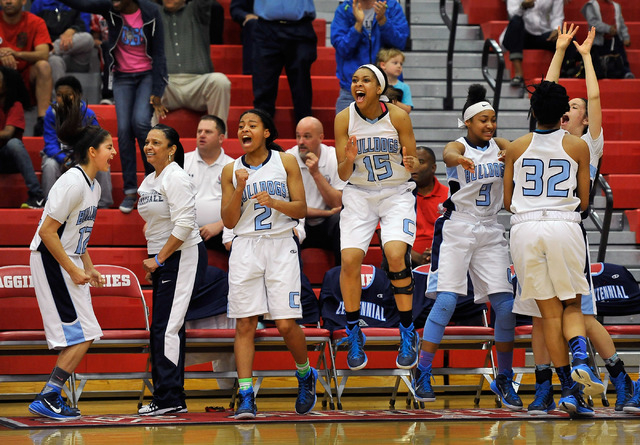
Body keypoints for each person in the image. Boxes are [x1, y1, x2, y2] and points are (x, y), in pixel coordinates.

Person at [513, 23, 635, 415]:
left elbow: (591, 96)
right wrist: (560, 51)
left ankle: (619, 380)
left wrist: (583, 56)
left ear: (583, 119)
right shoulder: (543, 134)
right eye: (568, 105)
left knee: (578, 312)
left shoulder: (588, 144)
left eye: (577, 106)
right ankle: (551, 385)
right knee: (540, 314)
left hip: (557, 225)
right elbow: (545, 95)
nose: (571, 108)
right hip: (550, 225)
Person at [411, 84, 522, 411]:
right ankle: (423, 370)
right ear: (468, 122)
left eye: (493, 120)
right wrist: (459, 159)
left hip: (490, 228)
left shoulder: (499, 145)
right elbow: (447, 154)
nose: (489, 125)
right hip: (458, 226)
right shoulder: (457, 145)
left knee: (505, 307)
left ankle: (503, 377)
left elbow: (517, 149)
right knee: (445, 301)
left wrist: (510, 153)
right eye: (483, 120)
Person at [504, 79, 603, 417]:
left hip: (524, 228)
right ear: (564, 113)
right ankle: (580, 358)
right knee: (572, 305)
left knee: (548, 315)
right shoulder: (577, 146)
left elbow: (507, 200)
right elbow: (585, 202)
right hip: (563, 224)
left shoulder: (516, 147)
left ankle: (569, 390)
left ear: (533, 112)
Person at [220, 108, 317, 420]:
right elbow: (229, 220)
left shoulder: (285, 161)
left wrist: (275, 202)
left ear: (266, 133)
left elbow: (301, 208)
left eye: (252, 125)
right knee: (245, 323)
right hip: (245, 245)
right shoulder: (230, 170)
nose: (244, 130)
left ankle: (305, 374)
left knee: (287, 323)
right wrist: (238, 189)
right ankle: (247, 395)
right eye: (240, 126)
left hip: (279, 244)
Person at [27, 123, 116, 420]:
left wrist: (88, 267)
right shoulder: (73, 183)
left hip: (69, 258)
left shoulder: (95, 185)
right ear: (92, 151)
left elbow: (78, 232)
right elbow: (47, 232)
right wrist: (72, 269)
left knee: (87, 332)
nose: (114, 153)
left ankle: (50, 395)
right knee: (83, 334)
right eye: (109, 147)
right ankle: (49, 396)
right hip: (52, 259)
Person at [334, 64, 419, 372]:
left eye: (366, 80)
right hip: (359, 194)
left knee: (395, 256)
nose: (358, 84)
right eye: (355, 80)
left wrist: (412, 163)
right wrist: (349, 159)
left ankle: (408, 331)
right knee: (350, 260)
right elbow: (343, 174)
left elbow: (414, 165)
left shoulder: (398, 117)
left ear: (379, 88)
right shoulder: (344, 119)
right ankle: (354, 331)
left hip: (396, 192)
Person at [61, 0, 168, 215]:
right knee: (123, 130)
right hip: (122, 77)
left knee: (139, 122)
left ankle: (153, 184)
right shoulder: (110, 8)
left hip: (147, 75)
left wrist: (157, 90)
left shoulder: (151, 11)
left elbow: (159, 53)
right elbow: (83, 4)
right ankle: (130, 191)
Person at [136, 124, 207, 416]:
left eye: (156, 142)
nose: (149, 146)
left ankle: (170, 398)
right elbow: (155, 222)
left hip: (183, 256)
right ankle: (168, 395)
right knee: (161, 328)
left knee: (168, 329)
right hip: (165, 256)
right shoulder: (151, 179)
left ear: (172, 149)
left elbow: (185, 224)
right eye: (147, 142)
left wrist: (159, 259)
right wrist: (155, 255)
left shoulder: (176, 177)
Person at [155, 0, 231, 127]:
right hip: (166, 85)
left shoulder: (198, 10)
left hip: (198, 84)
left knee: (220, 81)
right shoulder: (153, 13)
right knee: (146, 82)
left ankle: (217, 139)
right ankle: (148, 141)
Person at [41, 75, 113, 208]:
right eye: (59, 95)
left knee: (102, 160)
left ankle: (104, 204)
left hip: (83, 156)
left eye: (68, 94)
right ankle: (50, 205)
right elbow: (50, 144)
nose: (63, 98)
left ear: (78, 95)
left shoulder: (88, 113)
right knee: (49, 165)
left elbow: (97, 140)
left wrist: (82, 158)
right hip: (60, 157)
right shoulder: (51, 113)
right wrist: (64, 159)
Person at [331, 0, 409, 114]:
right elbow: (342, 49)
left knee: (388, 132)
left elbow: (400, 42)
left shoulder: (391, 7)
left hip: (387, 90)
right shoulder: (345, 10)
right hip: (351, 90)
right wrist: (358, 25)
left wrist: (383, 21)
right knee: (345, 131)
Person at [286, 116, 346, 264]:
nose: (301, 142)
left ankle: (343, 277)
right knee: (285, 221)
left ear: (321, 138)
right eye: (298, 136)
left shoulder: (334, 157)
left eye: (307, 137)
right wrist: (325, 212)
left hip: (327, 225)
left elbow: (338, 203)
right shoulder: (287, 159)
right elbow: (289, 208)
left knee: (342, 220)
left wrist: (316, 174)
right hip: (299, 221)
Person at [250, 0, 317, 123]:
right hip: (266, 28)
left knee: (301, 88)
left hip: (299, 27)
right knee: (263, 88)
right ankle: (261, 137)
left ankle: (306, 137)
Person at [0, 0, 53, 136]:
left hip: (26, 75)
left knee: (44, 66)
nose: (8, 1)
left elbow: (43, 54)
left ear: (24, 1)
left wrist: (15, 53)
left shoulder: (36, 22)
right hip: (2, 76)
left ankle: (42, 121)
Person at [184, 115, 235, 252]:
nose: (202, 135)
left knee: (239, 236)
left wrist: (219, 225)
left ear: (221, 138)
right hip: (186, 230)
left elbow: (241, 205)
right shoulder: (182, 163)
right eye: (199, 131)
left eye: (208, 132)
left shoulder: (233, 166)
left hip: (222, 230)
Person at [0, 66, 46, 208]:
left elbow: (8, 133)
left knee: (14, 143)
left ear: (7, 84)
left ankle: (36, 195)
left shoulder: (15, 105)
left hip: (8, 159)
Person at [30, 0, 95, 85]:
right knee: (55, 61)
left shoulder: (81, 2)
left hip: (74, 55)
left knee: (88, 38)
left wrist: (73, 30)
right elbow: (32, 31)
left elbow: (85, 26)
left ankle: (49, 50)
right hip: (52, 55)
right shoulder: (39, 3)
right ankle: (59, 98)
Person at [502, 0, 564, 86]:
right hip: (519, 35)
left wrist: (556, 29)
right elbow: (512, 14)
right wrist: (523, 7)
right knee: (516, 22)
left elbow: (557, 16)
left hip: (542, 32)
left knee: (566, 37)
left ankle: (565, 73)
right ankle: (518, 73)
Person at [411, 146, 448, 267]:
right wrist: (416, 257)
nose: (414, 166)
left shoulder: (448, 196)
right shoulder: (399, 197)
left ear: (433, 167)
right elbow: (386, 236)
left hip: (445, 260)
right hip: (407, 261)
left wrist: (438, 254)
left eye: (420, 162)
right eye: (412, 162)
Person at [581, 0, 634, 79]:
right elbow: (592, 22)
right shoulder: (591, 5)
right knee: (596, 56)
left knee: (621, 53)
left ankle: (626, 72)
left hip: (614, 38)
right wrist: (608, 29)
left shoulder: (615, 6)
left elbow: (621, 23)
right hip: (599, 39)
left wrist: (626, 37)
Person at [377, 47, 413, 114]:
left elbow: (408, 109)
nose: (399, 66)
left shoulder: (404, 87)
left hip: (397, 120)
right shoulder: (377, 85)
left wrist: (392, 101)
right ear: (383, 65)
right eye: (395, 63)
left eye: (401, 64)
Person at [230, 0, 257, 75]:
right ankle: (250, 76)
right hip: (258, 24)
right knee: (252, 24)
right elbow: (236, 9)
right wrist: (246, 15)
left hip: (287, 23)